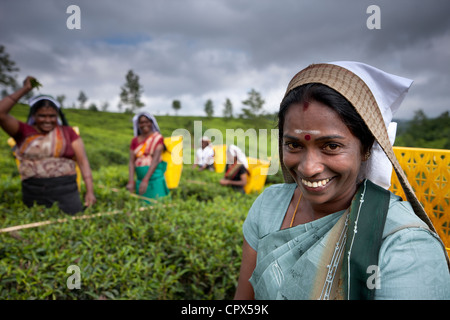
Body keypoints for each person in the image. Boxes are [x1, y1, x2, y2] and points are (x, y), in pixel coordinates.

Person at [234, 61, 450, 300]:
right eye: (294, 145)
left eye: (331, 146)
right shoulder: (269, 205)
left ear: (366, 148)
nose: (308, 168)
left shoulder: (406, 246)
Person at [0, 76, 96, 215]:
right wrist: (25, 89)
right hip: (34, 193)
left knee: (69, 227)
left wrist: (90, 192)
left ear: (57, 115)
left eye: (52, 116)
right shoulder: (23, 131)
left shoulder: (68, 133)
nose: (47, 120)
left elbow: (83, 162)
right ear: (34, 115)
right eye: (42, 116)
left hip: (66, 193)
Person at [126, 112, 169, 201]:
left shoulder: (157, 138)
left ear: (151, 123)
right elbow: (131, 161)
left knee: (158, 204)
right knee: (142, 205)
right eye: (141, 122)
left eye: (147, 122)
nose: (144, 124)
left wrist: (146, 180)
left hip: (155, 179)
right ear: (138, 125)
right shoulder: (134, 141)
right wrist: (131, 181)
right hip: (140, 180)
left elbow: (155, 160)